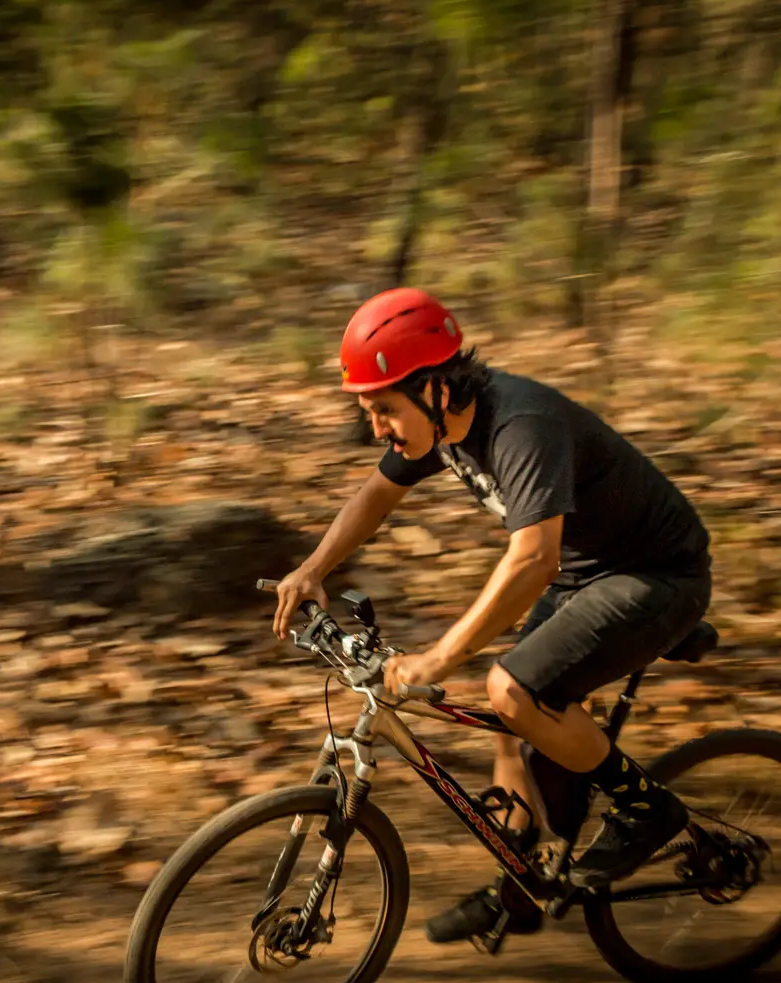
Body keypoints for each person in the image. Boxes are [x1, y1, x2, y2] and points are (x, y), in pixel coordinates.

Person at [271, 287, 712, 946]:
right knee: (510, 724)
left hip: (658, 576)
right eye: (369, 412)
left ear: (436, 389)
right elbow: (375, 494)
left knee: (512, 689)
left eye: (384, 410)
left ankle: (647, 810)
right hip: (588, 576)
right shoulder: (439, 423)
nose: (378, 428)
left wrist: (438, 658)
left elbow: (533, 559)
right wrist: (314, 568)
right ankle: (526, 884)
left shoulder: (520, 424)